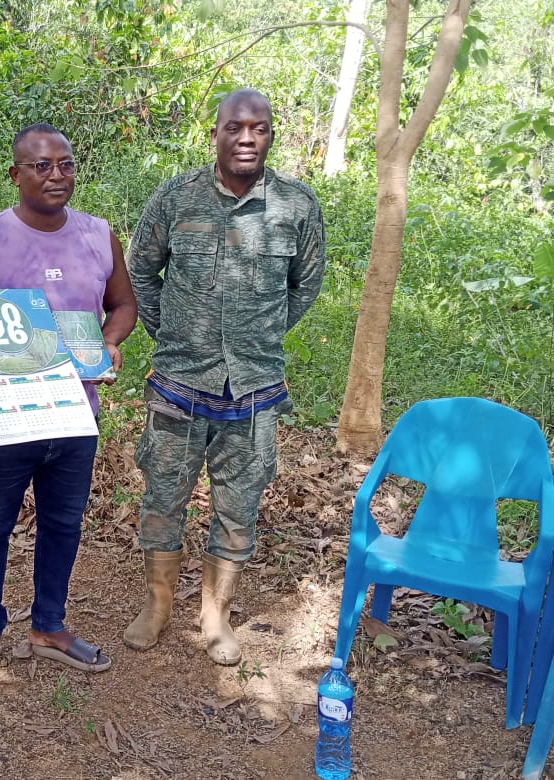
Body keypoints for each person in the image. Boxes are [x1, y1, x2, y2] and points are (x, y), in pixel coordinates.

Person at [123, 89, 326, 665]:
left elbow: (305, 285)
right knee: (163, 498)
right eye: (234, 127)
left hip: (255, 389)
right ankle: (158, 604)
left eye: (258, 128)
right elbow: (141, 268)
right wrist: (172, 333)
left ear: (269, 134)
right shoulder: (176, 197)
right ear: (214, 132)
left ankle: (215, 613)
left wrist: (258, 335)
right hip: (179, 383)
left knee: (239, 507)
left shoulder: (296, 205)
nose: (246, 138)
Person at [0, 122, 138, 683]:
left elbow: (123, 304)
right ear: (16, 174)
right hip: (11, 413)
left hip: (77, 413)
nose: (56, 175)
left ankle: (50, 624)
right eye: (41, 165)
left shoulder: (100, 236)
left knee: (63, 523)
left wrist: (109, 342)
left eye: (66, 164)